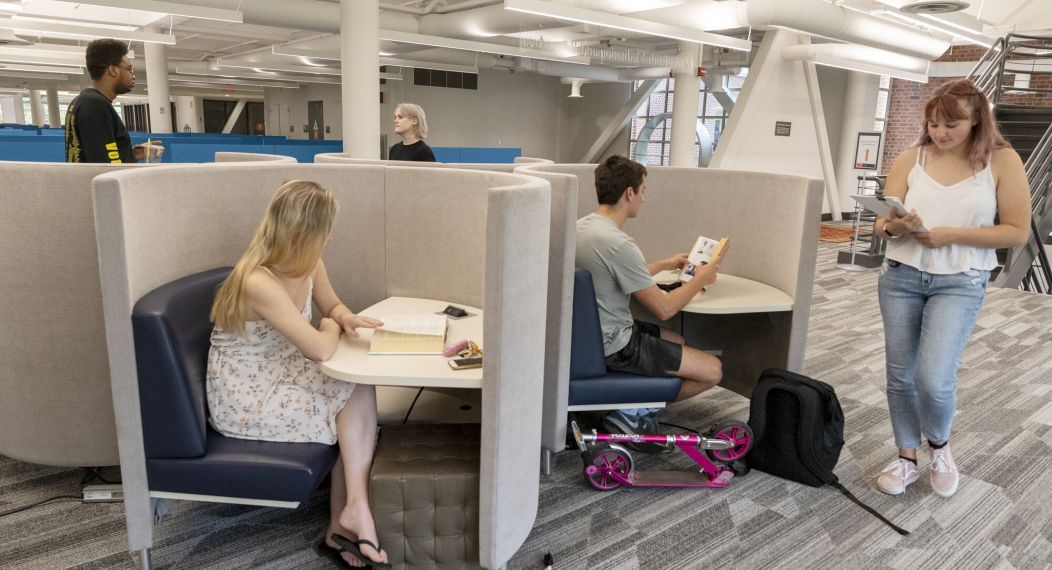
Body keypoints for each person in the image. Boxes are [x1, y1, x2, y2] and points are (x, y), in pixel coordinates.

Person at [206, 180, 390, 568]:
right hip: (247, 396)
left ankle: (351, 514)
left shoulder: (310, 264)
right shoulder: (258, 281)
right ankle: (349, 518)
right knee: (349, 402)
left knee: (357, 387)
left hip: (283, 372)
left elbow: (332, 304)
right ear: (306, 233)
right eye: (326, 228)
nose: (331, 235)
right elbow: (320, 347)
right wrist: (332, 328)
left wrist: (344, 317)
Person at [874, 78, 1031, 498]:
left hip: (960, 281)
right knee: (899, 375)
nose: (940, 133)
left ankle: (940, 448)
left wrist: (951, 235)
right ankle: (906, 456)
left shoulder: (1002, 161)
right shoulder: (912, 157)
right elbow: (881, 223)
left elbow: (1016, 232)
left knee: (934, 377)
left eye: (951, 125)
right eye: (934, 124)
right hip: (901, 276)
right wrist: (895, 226)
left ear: (977, 118)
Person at [575, 155, 724, 451]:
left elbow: (618, 273)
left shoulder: (584, 228)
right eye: (643, 190)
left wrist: (667, 263)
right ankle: (630, 414)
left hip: (592, 336)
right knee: (713, 370)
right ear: (629, 193)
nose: (644, 198)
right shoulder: (618, 243)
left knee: (676, 339)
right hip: (615, 343)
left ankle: (631, 405)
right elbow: (666, 308)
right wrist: (700, 279)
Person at [64, 38, 161, 163]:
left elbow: (97, 152)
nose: (133, 76)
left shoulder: (81, 101)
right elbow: (105, 166)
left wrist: (130, 154)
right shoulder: (95, 105)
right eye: (129, 69)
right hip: (98, 182)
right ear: (112, 70)